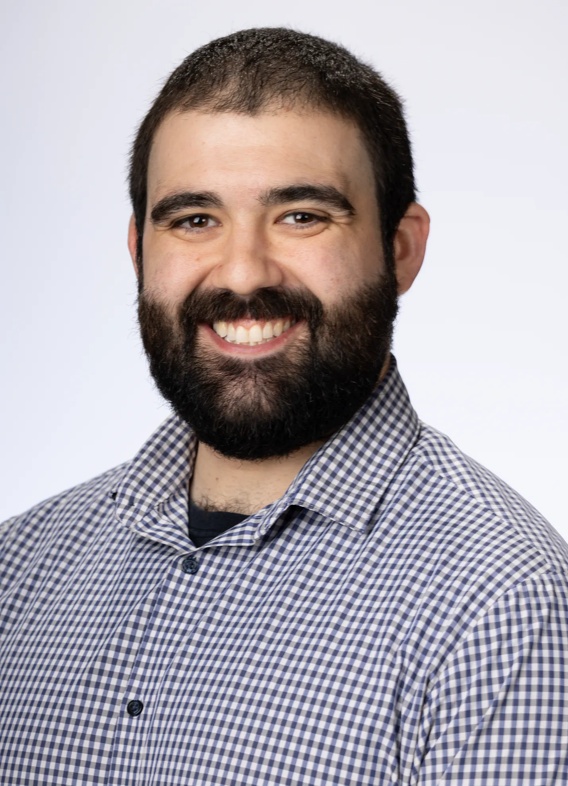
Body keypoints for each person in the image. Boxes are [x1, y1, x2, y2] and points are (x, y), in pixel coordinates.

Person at [1, 27, 566, 785]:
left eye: (301, 216)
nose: (242, 273)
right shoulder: (20, 569)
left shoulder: (503, 605)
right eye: (194, 219)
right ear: (140, 251)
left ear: (400, 250)